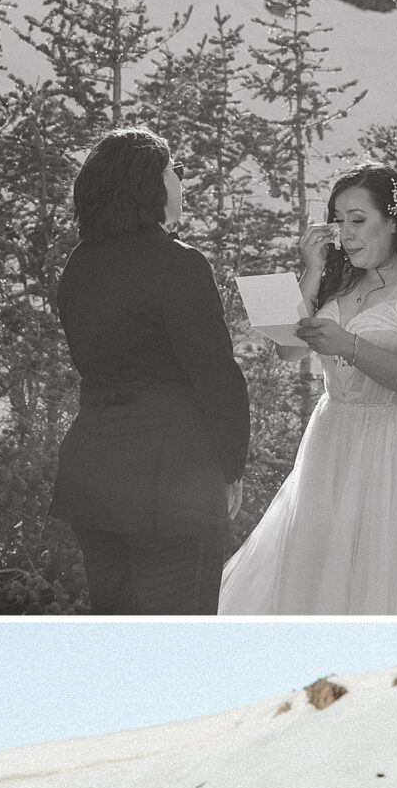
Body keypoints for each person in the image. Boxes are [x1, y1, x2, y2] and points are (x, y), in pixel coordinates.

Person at [219, 162, 397, 615]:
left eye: (358, 220)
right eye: (339, 221)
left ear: (393, 221)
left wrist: (349, 346)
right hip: (334, 439)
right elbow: (290, 352)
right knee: (324, 580)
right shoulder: (344, 274)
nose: (346, 233)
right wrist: (312, 269)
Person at [51, 125, 250, 613]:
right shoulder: (178, 265)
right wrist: (232, 466)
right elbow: (216, 377)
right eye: (174, 171)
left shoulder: (79, 265)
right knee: (178, 642)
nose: (181, 181)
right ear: (150, 186)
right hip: (175, 490)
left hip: (94, 481)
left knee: (116, 635)